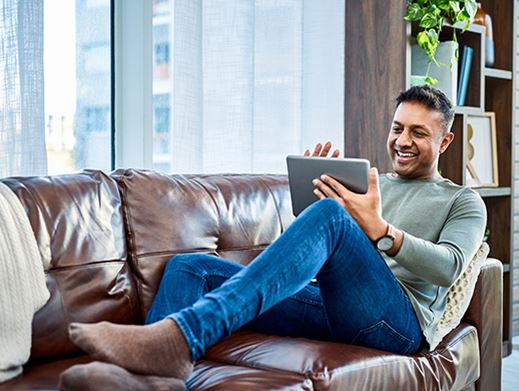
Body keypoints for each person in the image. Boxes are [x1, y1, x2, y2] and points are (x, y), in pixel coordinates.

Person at [59, 85, 486, 389]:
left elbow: (448, 267)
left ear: (445, 140)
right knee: (190, 267)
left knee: (331, 219)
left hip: (396, 323)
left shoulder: (463, 202)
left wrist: (379, 230)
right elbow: (320, 259)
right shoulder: (369, 183)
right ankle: (153, 380)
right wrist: (312, 207)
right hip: (331, 304)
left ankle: (179, 337)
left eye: (418, 133)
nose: (402, 141)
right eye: (398, 128)